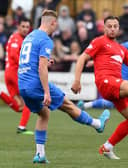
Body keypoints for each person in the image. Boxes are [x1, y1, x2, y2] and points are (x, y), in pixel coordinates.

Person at [18, 10, 110, 164]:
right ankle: (97, 124)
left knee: (44, 114)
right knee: (67, 104)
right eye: (57, 24)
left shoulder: (30, 37)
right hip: (36, 84)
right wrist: (46, 91)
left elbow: (32, 61)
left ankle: (40, 154)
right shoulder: (46, 40)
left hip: (23, 85)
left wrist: (47, 62)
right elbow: (41, 68)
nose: (57, 28)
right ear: (52, 23)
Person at [72, 16, 128, 160]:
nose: (112, 28)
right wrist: (77, 80)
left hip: (116, 87)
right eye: (109, 26)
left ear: (119, 28)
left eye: (115, 26)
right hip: (106, 82)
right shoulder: (99, 41)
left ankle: (107, 147)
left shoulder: (121, 49)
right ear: (104, 28)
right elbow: (82, 58)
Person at [0, 17, 33, 135]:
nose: (25, 29)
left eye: (27, 27)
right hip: (15, 73)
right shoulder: (17, 39)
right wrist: (25, 66)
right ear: (18, 27)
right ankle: (22, 127)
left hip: (9, 73)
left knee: (19, 107)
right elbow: (13, 55)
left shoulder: (15, 38)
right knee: (29, 101)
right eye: (23, 26)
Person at [77, 41, 128, 110]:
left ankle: (85, 106)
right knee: (111, 103)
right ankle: (84, 106)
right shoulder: (125, 45)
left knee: (113, 103)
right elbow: (114, 51)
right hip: (121, 77)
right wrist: (95, 61)